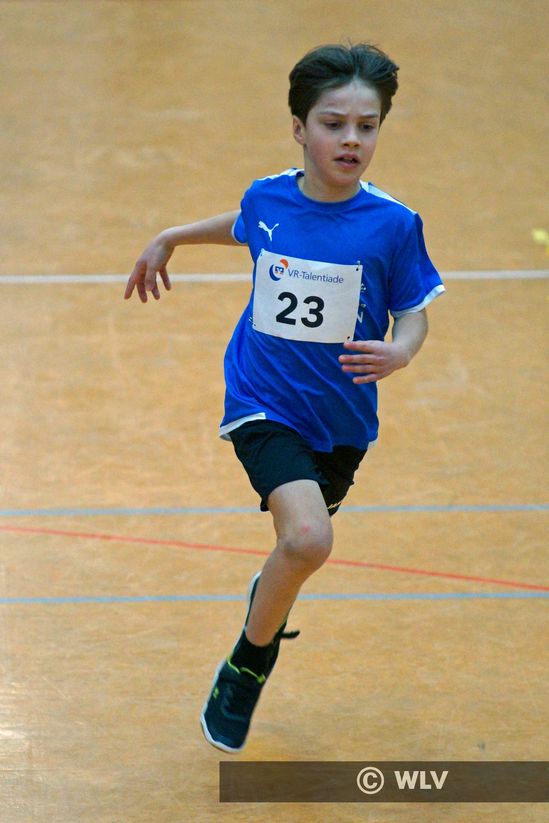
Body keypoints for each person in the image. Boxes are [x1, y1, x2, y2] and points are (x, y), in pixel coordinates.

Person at [125, 42, 445, 753]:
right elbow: (245, 224)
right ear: (299, 128)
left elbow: (414, 308)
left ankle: (266, 603)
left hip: (342, 420)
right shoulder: (269, 196)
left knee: (295, 549)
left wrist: (402, 349)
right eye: (333, 124)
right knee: (307, 539)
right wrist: (172, 237)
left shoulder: (393, 224)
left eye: (366, 126)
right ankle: (248, 663)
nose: (351, 140)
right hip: (262, 400)